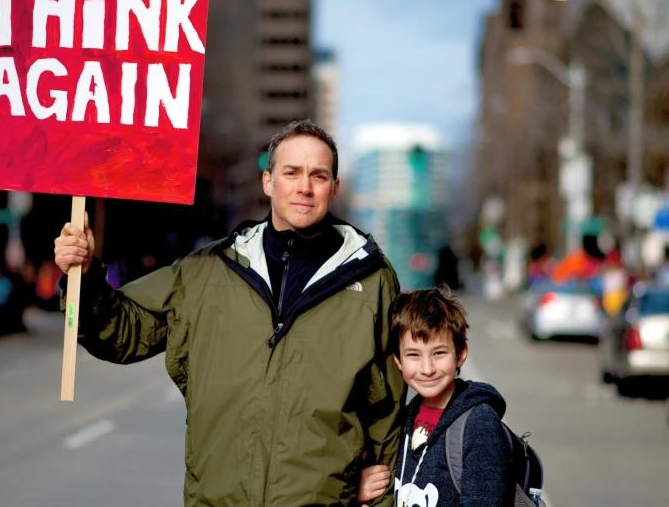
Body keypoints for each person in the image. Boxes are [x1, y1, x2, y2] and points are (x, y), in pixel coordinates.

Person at [53, 119, 405, 506]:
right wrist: (84, 278)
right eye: (291, 173)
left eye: (318, 176)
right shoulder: (206, 270)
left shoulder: (371, 280)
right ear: (268, 182)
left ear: (334, 189)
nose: (304, 187)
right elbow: (121, 332)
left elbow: (386, 411)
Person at [358, 286, 514, 506]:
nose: (428, 368)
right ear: (398, 361)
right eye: (413, 355)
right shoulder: (401, 420)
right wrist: (357, 492)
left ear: (461, 354)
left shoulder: (479, 424)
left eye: (439, 353)